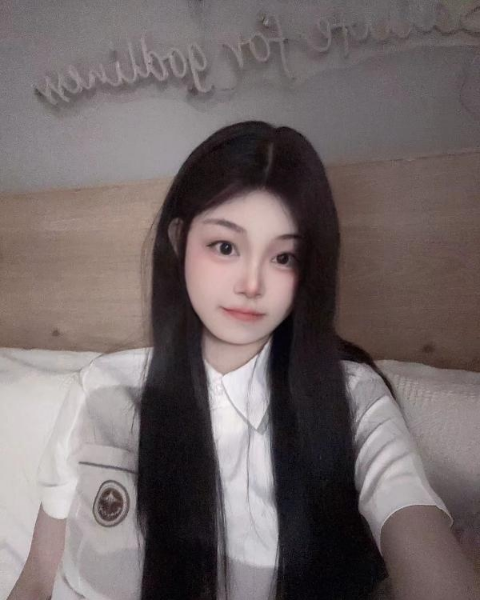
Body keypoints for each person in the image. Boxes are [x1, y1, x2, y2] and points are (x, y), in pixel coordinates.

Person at [8, 121, 480, 600]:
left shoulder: (350, 399)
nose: (251, 284)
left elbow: (416, 531)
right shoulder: (100, 389)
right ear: (179, 240)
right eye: (226, 247)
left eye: (283, 258)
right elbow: (39, 576)